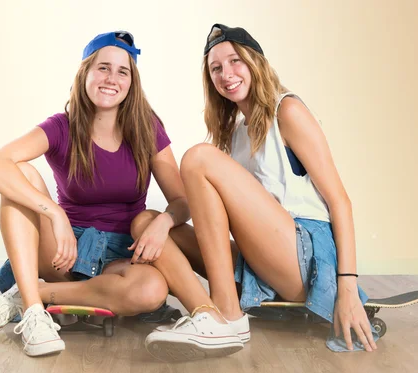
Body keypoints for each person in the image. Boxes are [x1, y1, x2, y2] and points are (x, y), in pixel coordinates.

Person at [0, 30, 244, 359]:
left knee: (151, 290)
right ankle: (34, 313)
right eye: (103, 68)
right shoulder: (61, 127)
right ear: (85, 73)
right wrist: (54, 214)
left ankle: (33, 296)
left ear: (131, 82)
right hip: (64, 248)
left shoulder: (147, 128)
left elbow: (183, 201)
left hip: (121, 253)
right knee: (20, 172)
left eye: (122, 71)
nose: (111, 78)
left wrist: (164, 222)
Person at [146, 23, 379, 354]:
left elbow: (340, 202)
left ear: (255, 62)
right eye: (216, 68)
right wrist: (165, 220)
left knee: (198, 157)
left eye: (235, 61)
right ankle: (208, 313)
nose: (226, 73)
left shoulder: (288, 111)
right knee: (146, 223)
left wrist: (348, 287)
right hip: (263, 265)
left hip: (306, 259)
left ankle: (227, 317)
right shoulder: (234, 136)